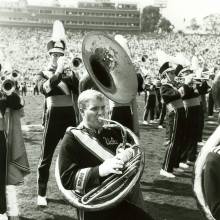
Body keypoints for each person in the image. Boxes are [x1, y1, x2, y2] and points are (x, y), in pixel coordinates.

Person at [58, 89, 154, 220]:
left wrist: (128, 153)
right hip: (96, 204)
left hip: (123, 198)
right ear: (82, 111)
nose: (101, 113)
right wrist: (100, 170)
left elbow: (134, 149)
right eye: (94, 109)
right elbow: (67, 179)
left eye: (103, 107)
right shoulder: (72, 138)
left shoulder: (112, 130)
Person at [36, 35, 79, 206]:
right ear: (49, 55)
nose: (57, 57)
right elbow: (46, 89)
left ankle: (75, 188)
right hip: (53, 116)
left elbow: (79, 89)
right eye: (54, 54)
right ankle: (41, 193)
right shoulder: (42, 73)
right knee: (46, 156)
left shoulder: (70, 74)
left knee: (76, 153)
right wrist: (59, 72)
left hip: (69, 115)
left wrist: (71, 73)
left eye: (60, 54)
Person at [0, 87, 30, 220]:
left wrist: (8, 92)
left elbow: (18, 104)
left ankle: (1, 209)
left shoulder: (2, 93)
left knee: (0, 174)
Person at [159, 62, 186, 178]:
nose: (174, 74)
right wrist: (179, 90)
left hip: (180, 113)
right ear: (165, 75)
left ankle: (173, 165)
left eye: (173, 72)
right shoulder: (164, 86)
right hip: (173, 114)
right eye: (171, 73)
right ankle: (165, 168)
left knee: (179, 141)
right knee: (173, 141)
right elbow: (169, 96)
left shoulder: (174, 84)